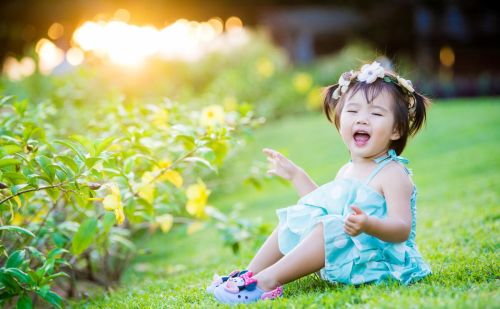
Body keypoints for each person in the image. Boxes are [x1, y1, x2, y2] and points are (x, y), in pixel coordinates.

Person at [207, 61, 432, 304]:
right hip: (349, 255)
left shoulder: (393, 173)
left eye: (376, 113)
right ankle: (249, 275)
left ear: (396, 130)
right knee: (302, 214)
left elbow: (401, 229)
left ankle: (265, 283)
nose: (362, 120)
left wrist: (368, 224)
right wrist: (297, 175)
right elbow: (323, 209)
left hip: (379, 262)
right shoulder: (348, 170)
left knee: (330, 226)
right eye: (353, 111)